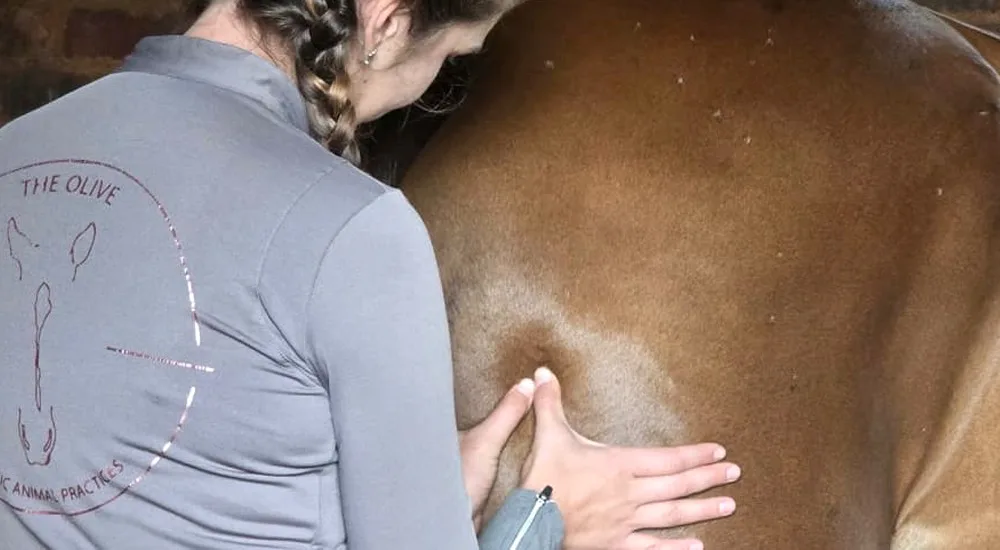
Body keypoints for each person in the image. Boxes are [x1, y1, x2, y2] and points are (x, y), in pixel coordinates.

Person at [0, 0, 742, 548]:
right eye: (451, 58)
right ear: (385, 21)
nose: (434, 81)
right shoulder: (356, 230)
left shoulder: (14, 151)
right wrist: (544, 518)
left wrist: (400, 478)